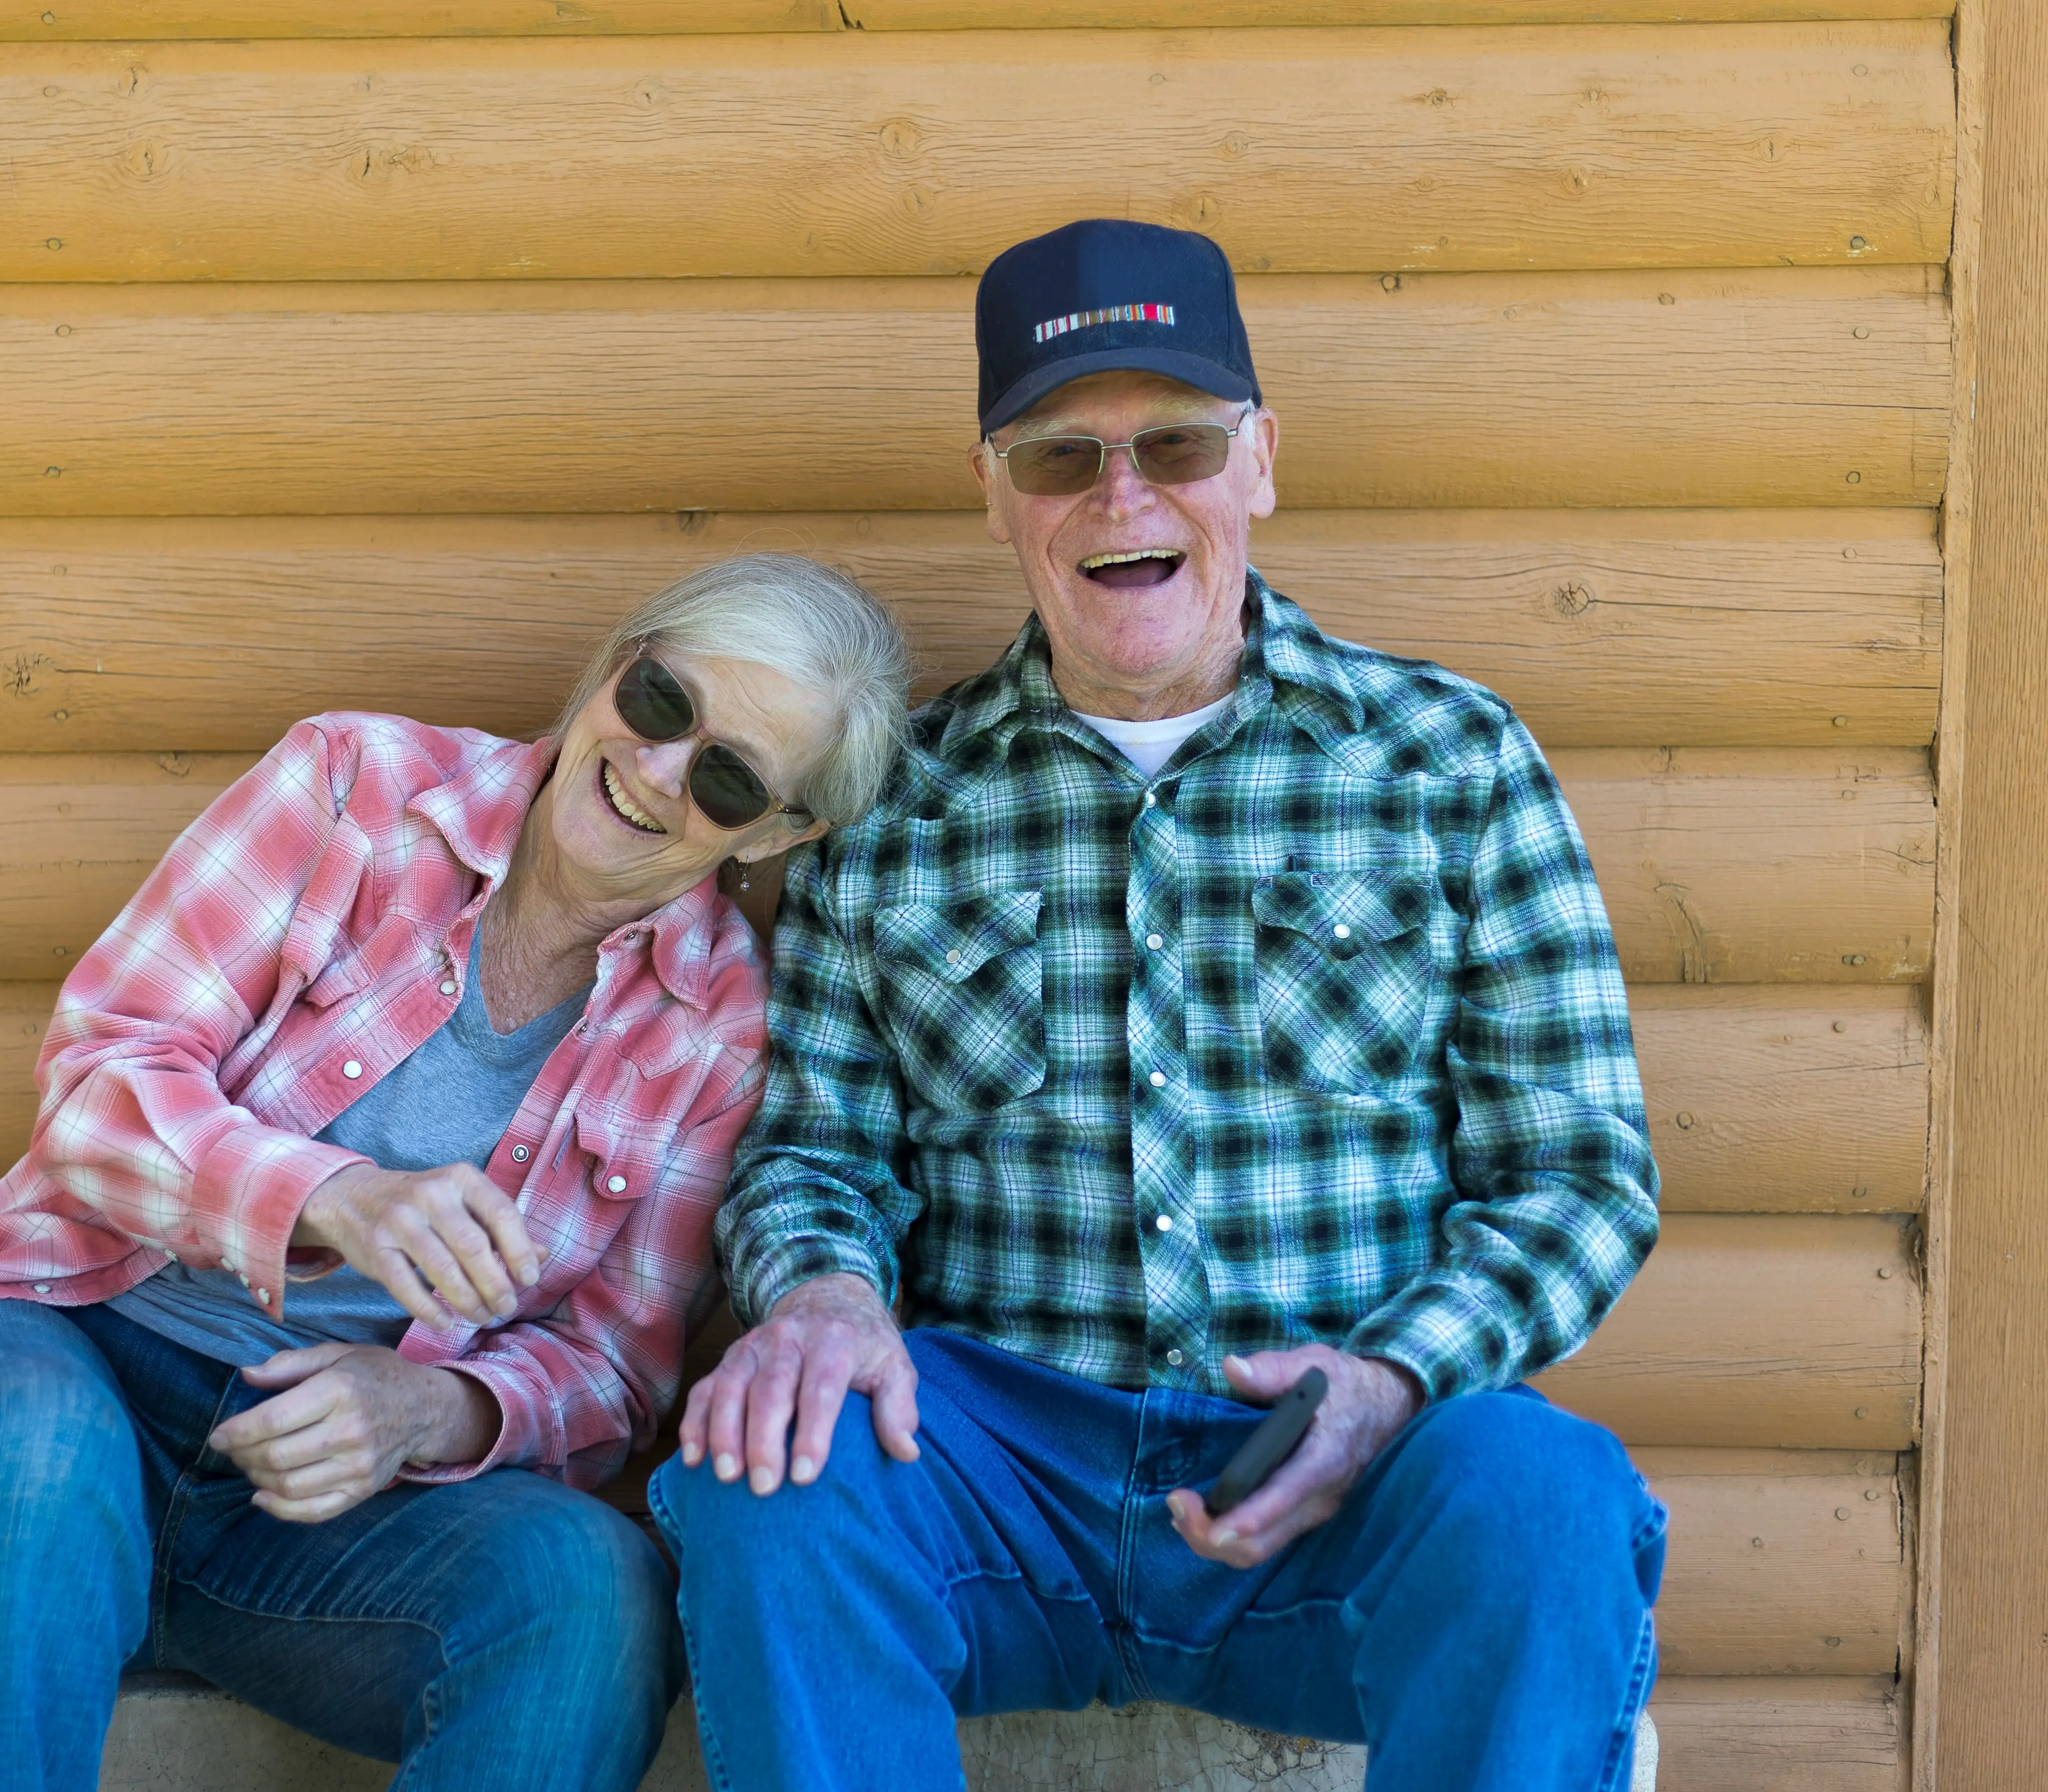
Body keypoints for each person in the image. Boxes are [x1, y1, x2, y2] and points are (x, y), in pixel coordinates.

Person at [651, 221, 1666, 1792]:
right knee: (766, 1465)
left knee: (1544, 1492)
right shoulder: (899, 800)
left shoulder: (1450, 762)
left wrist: (1389, 1381)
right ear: (996, 490)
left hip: (1343, 1483)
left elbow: (1579, 1176)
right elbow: (812, 1157)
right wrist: (827, 1298)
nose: (1121, 497)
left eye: (1176, 444)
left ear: (1260, 461)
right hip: (998, 1486)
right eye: (1061, 456)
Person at [0, 553, 912, 1792]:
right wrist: (333, 1195)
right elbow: (100, 1087)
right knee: (38, 1448)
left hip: (317, 1514)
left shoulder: (716, 1029)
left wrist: (425, 1410)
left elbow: (611, 1367)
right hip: (55, 1354)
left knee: (594, 1596)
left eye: (726, 778)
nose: (655, 770)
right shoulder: (354, 786)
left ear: (783, 831)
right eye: (660, 703)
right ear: (618, 663)